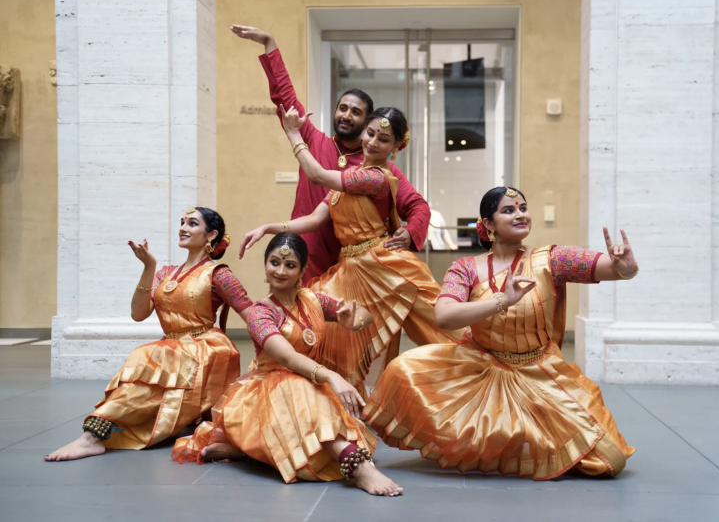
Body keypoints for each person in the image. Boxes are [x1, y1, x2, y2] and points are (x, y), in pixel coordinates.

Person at [364, 187, 637, 479]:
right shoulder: (465, 268)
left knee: (609, 458)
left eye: (523, 207)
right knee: (403, 368)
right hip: (481, 366)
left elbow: (612, 269)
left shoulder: (553, 260)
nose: (520, 214)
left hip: (539, 371)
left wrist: (626, 266)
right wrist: (501, 301)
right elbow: (443, 315)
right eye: (509, 210)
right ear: (489, 225)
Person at [240, 106, 460, 391]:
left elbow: (317, 175)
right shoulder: (349, 176)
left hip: (385, 266)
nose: (372, 142)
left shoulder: (377, 178)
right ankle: (331, 394)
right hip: (350, 269)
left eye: (383, 139)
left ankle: (478, 368)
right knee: (324, 322)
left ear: (395, 147)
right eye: (370, 133)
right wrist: (269, 227)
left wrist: (294, 133)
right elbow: (312, 220)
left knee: (440, 326)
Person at [172, 233, 403, 496]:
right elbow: (287, 358)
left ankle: (246, 450)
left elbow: (366, 315)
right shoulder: (261, 312)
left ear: (303, 270)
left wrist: (353, 321)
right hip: (264, 391)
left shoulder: (314, 300)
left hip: (309, 381)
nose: (280, 271)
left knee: (306, 399)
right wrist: (331, 377)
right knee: (300, 392)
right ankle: (360, 468)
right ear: (265, 264)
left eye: (290, 265)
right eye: (274, 262)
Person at [44, 208, 253, 462]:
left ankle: (92, 435)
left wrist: (273, 353)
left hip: (206, 349)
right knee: (144, 365)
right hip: (173, 348)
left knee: (147, 363)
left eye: (192, 223)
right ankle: (96, 431)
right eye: (182, 222)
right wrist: (148, 266)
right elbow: (138, 313)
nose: (183, 228)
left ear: (211, 235)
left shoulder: (219, 274)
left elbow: (251, 314)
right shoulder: (165, 273)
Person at [230, 24, 430, 285]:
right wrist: (270, 44)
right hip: (307, 254)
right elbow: (284, 96)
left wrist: (409, 231)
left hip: (359, 265)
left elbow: (418, 206)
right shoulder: (314, 140)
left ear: (367, 122)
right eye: (342, 108)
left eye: (356, 112)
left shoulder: (381, 170)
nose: (347, 115)